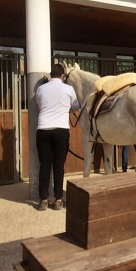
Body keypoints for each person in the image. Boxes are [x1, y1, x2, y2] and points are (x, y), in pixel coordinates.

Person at [35, 63, 80, 211]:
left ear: (50, 74)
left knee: (45, 165)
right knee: (58, 166)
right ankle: (59, 199)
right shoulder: (68, 89)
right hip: (61, 130)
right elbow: (76, 107)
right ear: (62, 75)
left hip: (43, 129)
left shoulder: (40, 89)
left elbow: (40, 105)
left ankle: (43, 200)